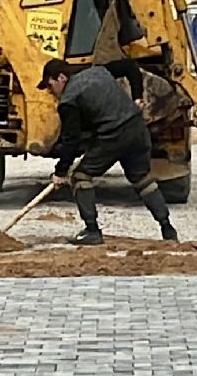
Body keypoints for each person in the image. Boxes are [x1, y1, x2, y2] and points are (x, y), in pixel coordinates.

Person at [41, 58, 176, 245]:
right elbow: (130, 65)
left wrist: (61, 172)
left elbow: (71, 141)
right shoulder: (99, 70)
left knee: (81, 176)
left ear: (61, 78)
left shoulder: (68, 101)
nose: (50, 92)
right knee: (141, 179)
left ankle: (92, 231)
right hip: (137, 128)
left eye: (50, 86)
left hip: (114, 136)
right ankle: (167, 228)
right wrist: (137, 96)